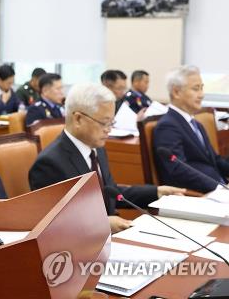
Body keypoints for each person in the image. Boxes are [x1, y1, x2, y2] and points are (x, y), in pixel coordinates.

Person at [29, 83, 185, 233]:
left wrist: (156, 192)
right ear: (78, 119)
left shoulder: (97, 148)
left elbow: (110, 193)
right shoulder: (50, 164)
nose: (108, 130)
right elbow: (55, 224)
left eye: (112, 122)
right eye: (104, 123)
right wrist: (102, 224)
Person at [153, 65, 229, 193]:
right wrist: (219, 188)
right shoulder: (167, 126)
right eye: (196, 89)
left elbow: (214, 160)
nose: (202, 95)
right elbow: (177, 170)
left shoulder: (196, 123)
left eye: (202, 88)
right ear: (176, 92)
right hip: (198, 194)